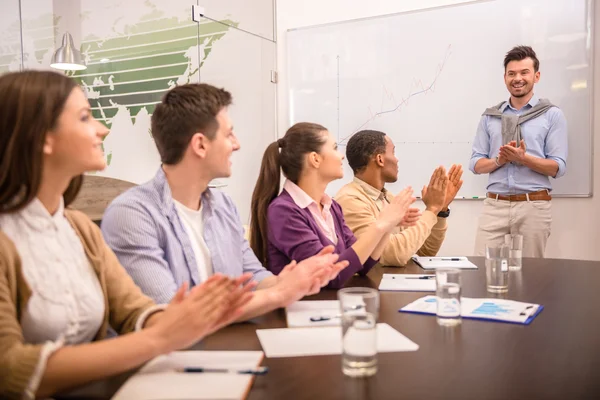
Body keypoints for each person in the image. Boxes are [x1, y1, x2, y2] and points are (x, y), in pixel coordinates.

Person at [0, 71, 255, 399]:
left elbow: (134, 311)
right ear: (40, 138)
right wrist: (161, 337)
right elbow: (9, 369)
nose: (101, 129)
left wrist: (176, 319)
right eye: (84, 117)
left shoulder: (78, 228)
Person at [101, 83, 348, 319]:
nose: (237, 144)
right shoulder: (132, 214)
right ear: (200, 145)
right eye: (229, 134)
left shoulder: (223, 206)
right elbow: (172, 315)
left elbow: (254, 276)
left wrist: (295, 280)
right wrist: (279, 293)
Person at [249, 122, 416, 289]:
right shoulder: (283, 211)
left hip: (328, 307)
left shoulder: (332, 207)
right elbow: (330, 276)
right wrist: (381, 225)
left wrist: (388, 225)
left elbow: (363, 264)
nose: (341, 156)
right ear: (315, 159)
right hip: (298, 311)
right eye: (335, 148)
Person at [469, 46, 568, 257]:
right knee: (482, 269)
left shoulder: (552, 115)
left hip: (533, 205)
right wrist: (499, 160)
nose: (518, 78)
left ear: (536, 76)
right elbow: (476, 163)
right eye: (512, 73)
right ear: (505, 77)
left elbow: (557, 167)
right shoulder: (490, 117)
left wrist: (524, 159)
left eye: (524, 72)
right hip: (495, 204)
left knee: (531, 276)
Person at [335, 130, 463, 266]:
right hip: (367, 285)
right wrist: (431, 209)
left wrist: (440, 210)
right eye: (393, 152)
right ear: (380, 159)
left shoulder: (387, 197)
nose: (397, 159)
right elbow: (391, 254)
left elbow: (425, 251)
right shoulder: (350, 200)